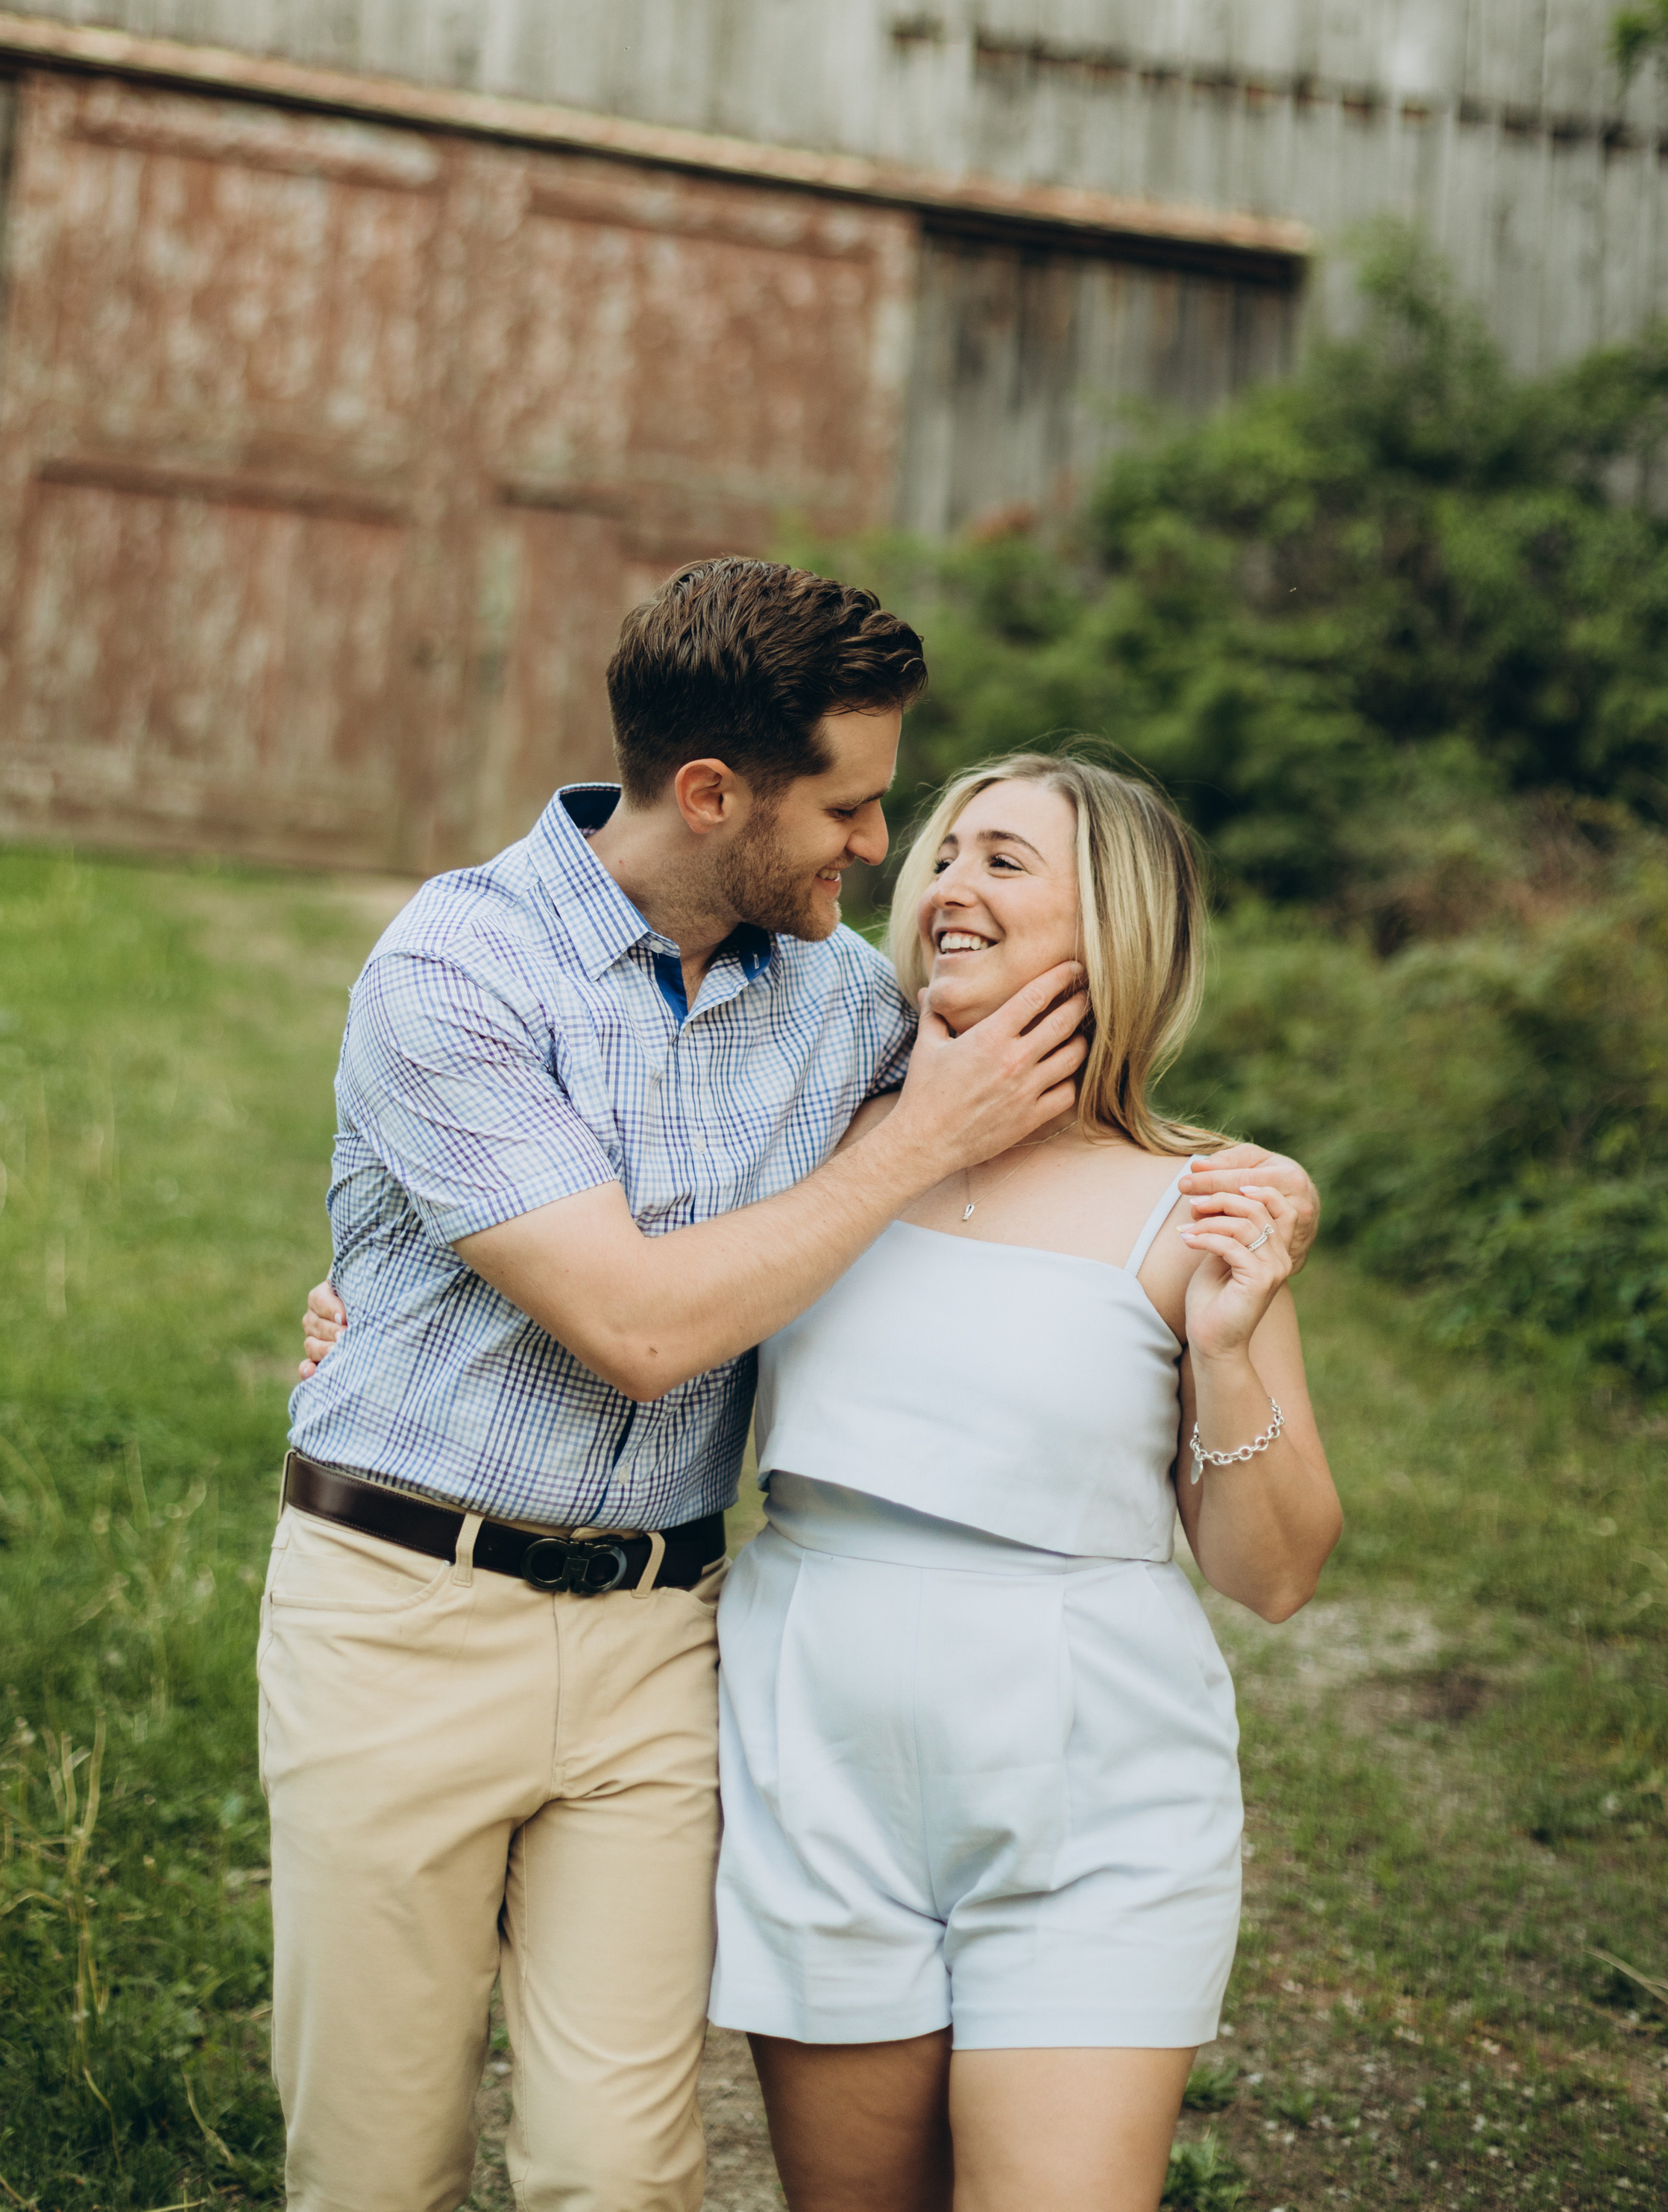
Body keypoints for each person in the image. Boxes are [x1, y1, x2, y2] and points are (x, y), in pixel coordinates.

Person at [281, 558, 1321, 2212]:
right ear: (713, 795)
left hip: (658, 1644)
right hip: (414, 1607)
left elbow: (1055, 1151)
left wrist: (1244, 1231)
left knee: (621, 2175)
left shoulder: (837, 1004)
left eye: (916, 823)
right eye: (861, 812)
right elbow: (631, 1313)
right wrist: (387, 1305)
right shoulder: (462, 969)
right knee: (376, 2162)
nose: (880, 855)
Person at [709, 753, 1344, 2212]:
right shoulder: (818, 1139)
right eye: (940, 856)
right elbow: (634, 1288)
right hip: (816, 1770)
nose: (945, 888)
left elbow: (1272, 1574)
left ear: (1108, 925)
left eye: (1001, 861)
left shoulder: (1199, 1206)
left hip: (1094, 1804)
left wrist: (1229, 1348)